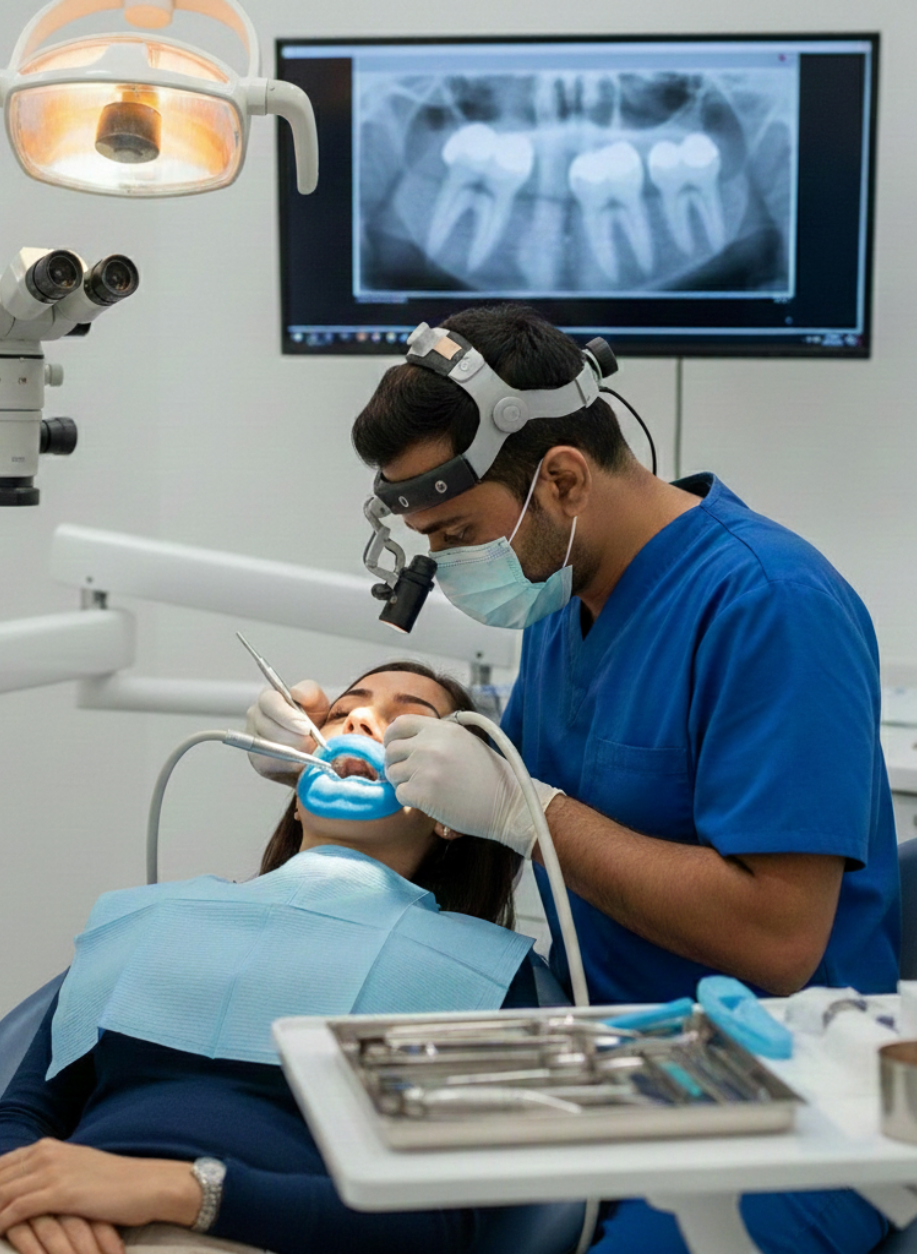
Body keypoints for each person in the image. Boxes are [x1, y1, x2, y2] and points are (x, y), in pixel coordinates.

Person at [250, 304, 899, 1253]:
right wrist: (330, 746)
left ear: (560, 479)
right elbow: (479, 812)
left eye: (458, 531)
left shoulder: (770, 606)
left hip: (798, 1103)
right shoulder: (561, 609)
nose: (445, 565)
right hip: (611, 1066)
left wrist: (526, 809)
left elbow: (776, 940)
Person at [0, 663, 552, 1254]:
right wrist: (23, 1199)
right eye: (341, 712)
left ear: (450, 810)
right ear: (294, 777)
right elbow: (21, 1115)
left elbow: (438, 1223)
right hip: (48, 1228)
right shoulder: (152, 919)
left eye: (406, 724)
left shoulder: (479, 975)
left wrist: (182, 1191)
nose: (357, 720)